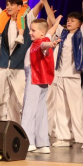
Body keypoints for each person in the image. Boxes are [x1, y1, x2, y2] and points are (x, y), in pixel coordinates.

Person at [0, 0, 48, 123]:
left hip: (19, 68)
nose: (8, 7)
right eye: (7, 4)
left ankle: (24, 130)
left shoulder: (27, 18)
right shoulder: (3, 18)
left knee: (20, 101)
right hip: (2, 66)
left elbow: (40, 5)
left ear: (20, 6)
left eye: (12, 4)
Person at [48, 0, 83, 149]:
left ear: (79, 24)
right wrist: (45, 1)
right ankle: (64, 138)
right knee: (60, 108)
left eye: (72, 21)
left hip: (73, 76)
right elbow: (52, 20)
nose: (69, 22)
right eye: (68, 20)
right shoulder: (64, 34)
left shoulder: (81, 35)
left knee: (76, 107)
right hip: (60, 75)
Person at [22, 17, 62, 154]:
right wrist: (56, 22)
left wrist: (51, 44)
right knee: (40, 111)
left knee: (28, 111)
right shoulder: (44, 38)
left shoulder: (40, 43)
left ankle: (28, 142)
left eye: (33, 30)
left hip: (34, 79)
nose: (30, 33)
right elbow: (50, 32)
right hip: (42, 81)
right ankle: (43, 144)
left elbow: (44, 45)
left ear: (41, 33)